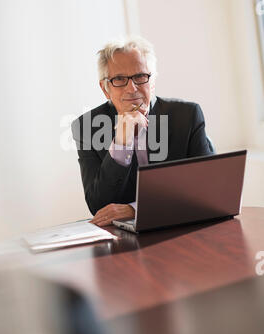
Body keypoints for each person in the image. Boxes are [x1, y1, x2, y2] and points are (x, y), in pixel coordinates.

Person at [72, 36, 214, 226]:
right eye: (120, 79)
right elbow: (99, 206)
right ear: (105, 89)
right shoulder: (87, 127)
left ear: (152, 81)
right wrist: (121, 144)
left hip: (181, 227)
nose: (132, 88)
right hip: (125, 241)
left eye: (140, 76)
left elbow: (207, 191)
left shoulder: (187, 116)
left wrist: (134, 209)